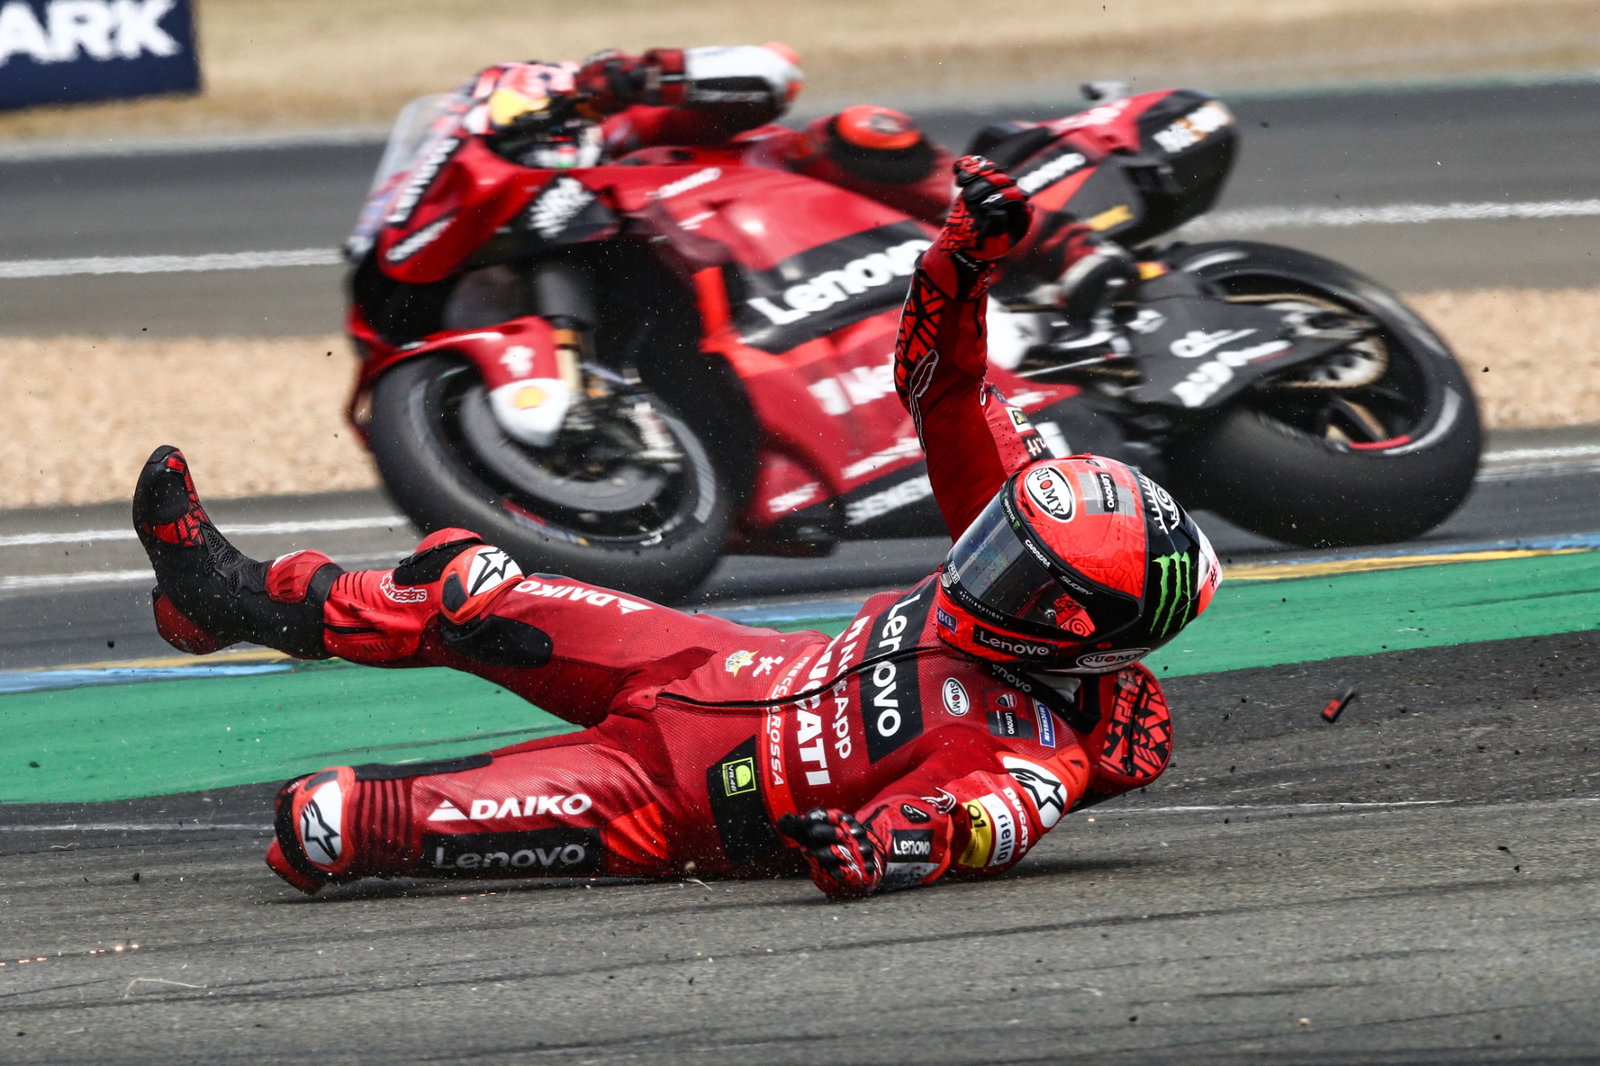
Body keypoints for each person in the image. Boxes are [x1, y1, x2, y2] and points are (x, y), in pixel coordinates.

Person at [133, 158, 1220, 900]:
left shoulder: (1042, 750)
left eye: (1015, 577)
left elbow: (977, 819)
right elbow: (944, 388)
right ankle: (218, 595)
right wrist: (961, 260)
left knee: (323, 823)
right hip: (712, 660)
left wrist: (889, 850)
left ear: (1084, 635)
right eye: (999, 544)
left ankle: (376, 809)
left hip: (679, 801)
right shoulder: (1027, 551)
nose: (980, 562)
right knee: (472, 582)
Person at [472, 44, 1139, 335]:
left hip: (799, 210)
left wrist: (635, 78)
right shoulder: (558, 227)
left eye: (521, 135)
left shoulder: (631, 126)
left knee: (855, 131)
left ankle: (1064, 247)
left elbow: (772, 71)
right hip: (771, 303)